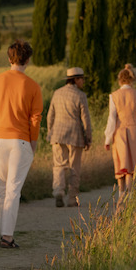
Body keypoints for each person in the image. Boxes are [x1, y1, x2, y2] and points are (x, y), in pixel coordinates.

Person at [0, 40, 43, 249]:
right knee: (13, 190)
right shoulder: (33, 86)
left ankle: (4, 234)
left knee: (1, 190)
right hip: (20, 140)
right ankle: (7, 237)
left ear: (9, 59)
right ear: (27, 60)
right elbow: (35, 119)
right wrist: (33, 144)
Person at [103, 64, 136, 197]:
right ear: (132, 79)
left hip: (119, 132)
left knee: (121, 162)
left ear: (119, 79)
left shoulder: (113, 96)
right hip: (135, 132)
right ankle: (130, 194)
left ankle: (121, 193)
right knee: (132, 165)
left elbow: (112, 119)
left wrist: (108, 138)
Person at [46, 66, 92, 208]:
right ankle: (72, 198)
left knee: (59, 165)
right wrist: (88, 137)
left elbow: (50, 116)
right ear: (76, 80)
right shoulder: (80, 95)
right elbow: (86, 119)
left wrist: (50, 133)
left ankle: (59, 192)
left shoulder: (57, 93)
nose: (83, 82)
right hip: (75, 136)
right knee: (74, 168)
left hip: (58, 136)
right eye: (82, 79)